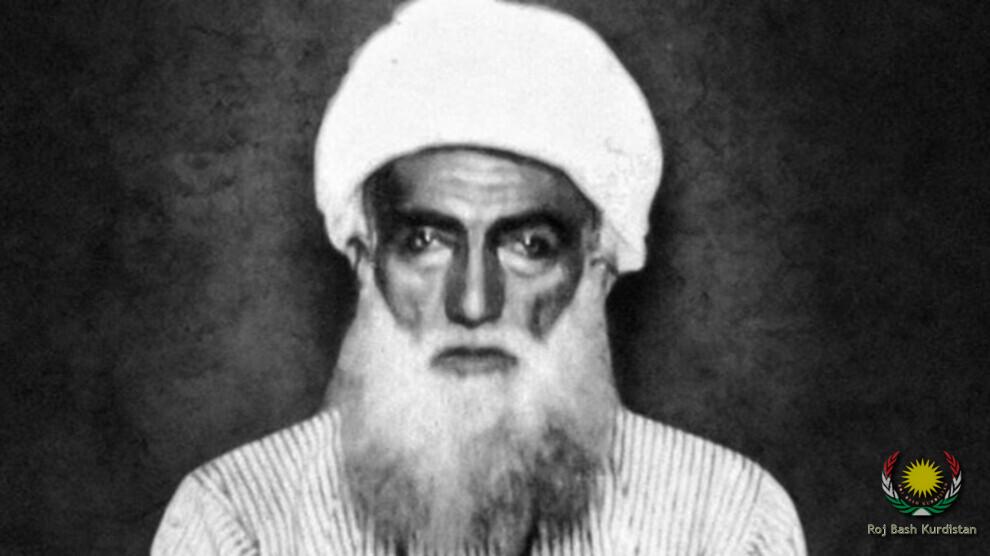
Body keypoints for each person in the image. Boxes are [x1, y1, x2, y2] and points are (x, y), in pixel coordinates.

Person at [152, 0, 806, 554]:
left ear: (599, 266)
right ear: (364, 257)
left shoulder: (726, 521)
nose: (472, 302)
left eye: (529, 245)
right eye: (426, 241)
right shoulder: (234, 523)